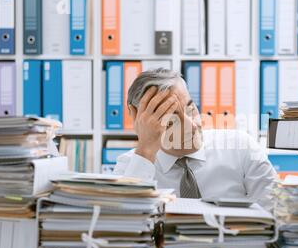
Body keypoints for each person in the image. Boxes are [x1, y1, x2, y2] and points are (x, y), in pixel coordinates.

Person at [114, 68, 277, 206]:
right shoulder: (130, 166)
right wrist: (146, 151)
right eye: (172, 120)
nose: (192, 125)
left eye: (191, 108)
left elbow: (277, 215)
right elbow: (123, 232)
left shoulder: (242, 147)